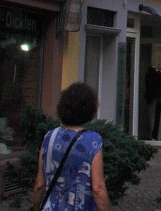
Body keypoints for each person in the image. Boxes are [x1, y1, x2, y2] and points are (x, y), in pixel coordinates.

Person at [33, 82, 111, 211]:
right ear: (89, 109)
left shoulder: (49, 137)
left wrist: (36, 207)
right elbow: (98, 189)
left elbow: (39, 184)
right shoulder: (92, 141)